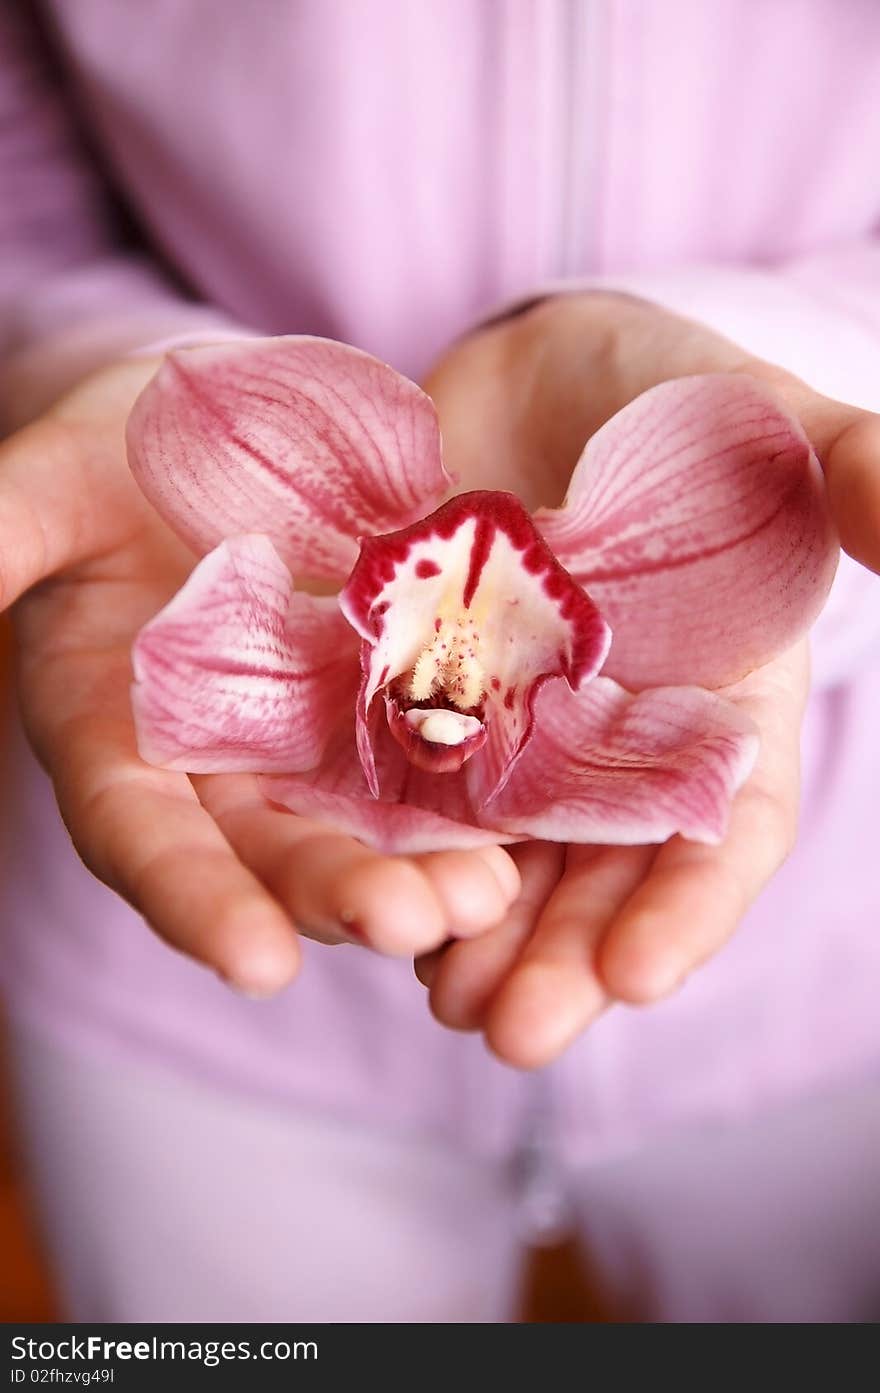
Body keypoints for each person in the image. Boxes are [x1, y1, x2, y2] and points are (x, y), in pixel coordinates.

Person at [2, 0, 879, 1323]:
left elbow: (682, 748)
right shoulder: (252, 634)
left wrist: (805, 385)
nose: (456, 676)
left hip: (834, 953)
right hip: (193, 1025)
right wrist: (94, 368)